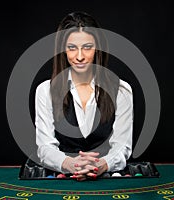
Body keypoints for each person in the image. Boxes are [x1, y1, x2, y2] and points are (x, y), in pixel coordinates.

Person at [33, 11, 133, 181]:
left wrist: (102, 164)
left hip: (106, 180)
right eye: (72, 48)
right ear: (63, 50)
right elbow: (45, 148)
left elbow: (122, 147)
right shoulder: (45, 90)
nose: (79, 56)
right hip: (62, 180)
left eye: (87, 47)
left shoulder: (122, 90)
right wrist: (71, 164)